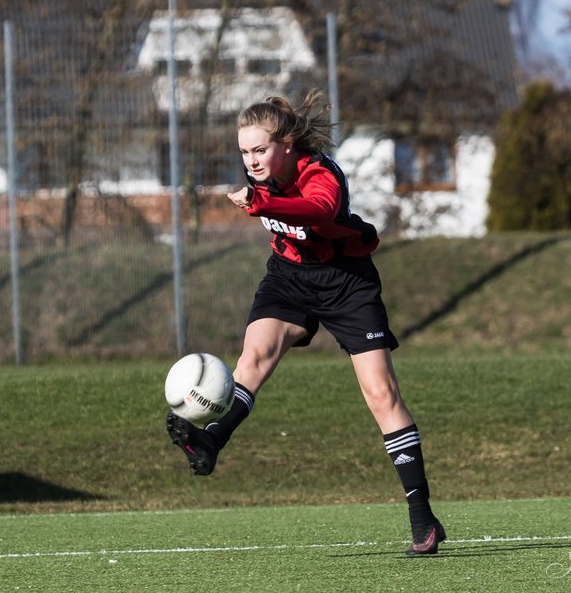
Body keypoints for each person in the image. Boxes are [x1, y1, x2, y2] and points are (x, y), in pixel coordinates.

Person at [165, 90, 447, 556]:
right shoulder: (261, 179)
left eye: (260, 150)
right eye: (244, 151)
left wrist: (262, 206)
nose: (251, 161)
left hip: (347, 285)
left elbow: (318, 210)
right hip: (289, 278)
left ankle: (423, 517)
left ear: (287, 145)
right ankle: (210, 441)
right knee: (253, 358)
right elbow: (279, 217)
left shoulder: (321, 173)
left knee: (382, 395)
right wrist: (262, 202)